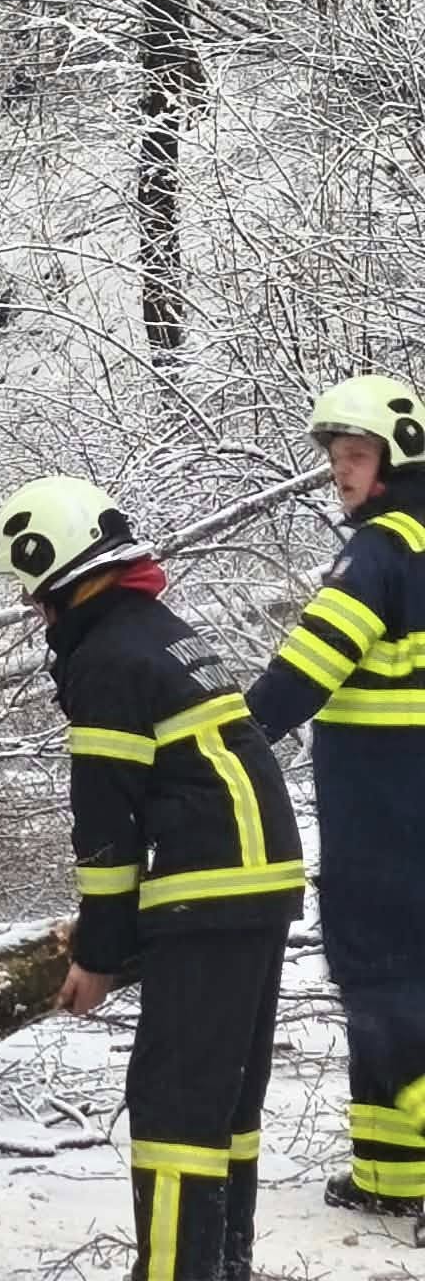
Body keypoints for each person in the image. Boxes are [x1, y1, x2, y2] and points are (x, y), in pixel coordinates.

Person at [0, 475, 302, 1281]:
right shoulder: (159, 632)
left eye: (32, 591)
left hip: (209, 894)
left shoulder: (108, 661)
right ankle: (222, 1265)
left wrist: (98, 952)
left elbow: (107, 826)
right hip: (257, 886)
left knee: (172, 1109)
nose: (32, 610)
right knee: (225, 1103)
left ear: (57, 571)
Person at [243, 373, 425, 1234]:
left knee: (383, 987)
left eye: (355, 457)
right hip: (404, 817)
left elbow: (304, 671)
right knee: (401, 994)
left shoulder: (378, 554)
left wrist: (227, 740)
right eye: (335, 458)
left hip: (386, 823)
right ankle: (390, 1174)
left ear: (397, 461)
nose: (340, 473)